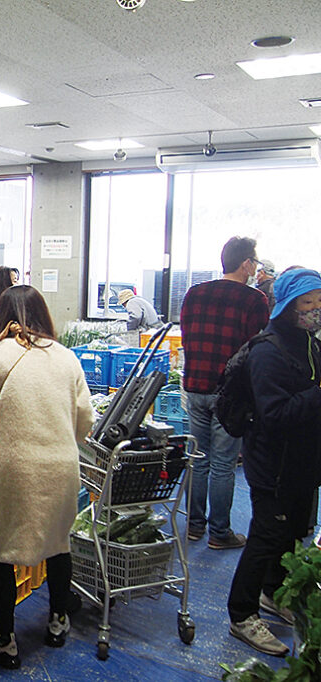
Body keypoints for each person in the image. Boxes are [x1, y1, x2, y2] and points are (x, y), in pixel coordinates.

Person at [0, 285, 94, 669]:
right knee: (58, 543)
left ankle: (6, 641)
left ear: (1, 314)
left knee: (1, 551)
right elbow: (85, 419)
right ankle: (58, 621)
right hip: (61, 465)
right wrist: (58, 442)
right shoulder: (66, 357)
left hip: (12, 468)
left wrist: (2, 441)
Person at [226, 268, 321, 657]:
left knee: (292, 533)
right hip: (272, 465)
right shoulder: (267, 350)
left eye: (319, 302)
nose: (315, 310)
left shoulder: (310, 345)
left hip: (302, 462)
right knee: (266, 536)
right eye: (307, 303)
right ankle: (241, 614)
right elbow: (275, 414)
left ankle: (272, 592)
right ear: (287, 307)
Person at [180, 237, 269, 549]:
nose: (256, 268)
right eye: (254, 262)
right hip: (229, 394)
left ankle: (193, 526)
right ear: (246, 263)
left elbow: (187, 336)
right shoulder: (254, 300)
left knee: (199, 460)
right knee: (223, 464)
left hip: (194, 386)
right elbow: (256, 350)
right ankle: (219, 533)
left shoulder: (194, 293)